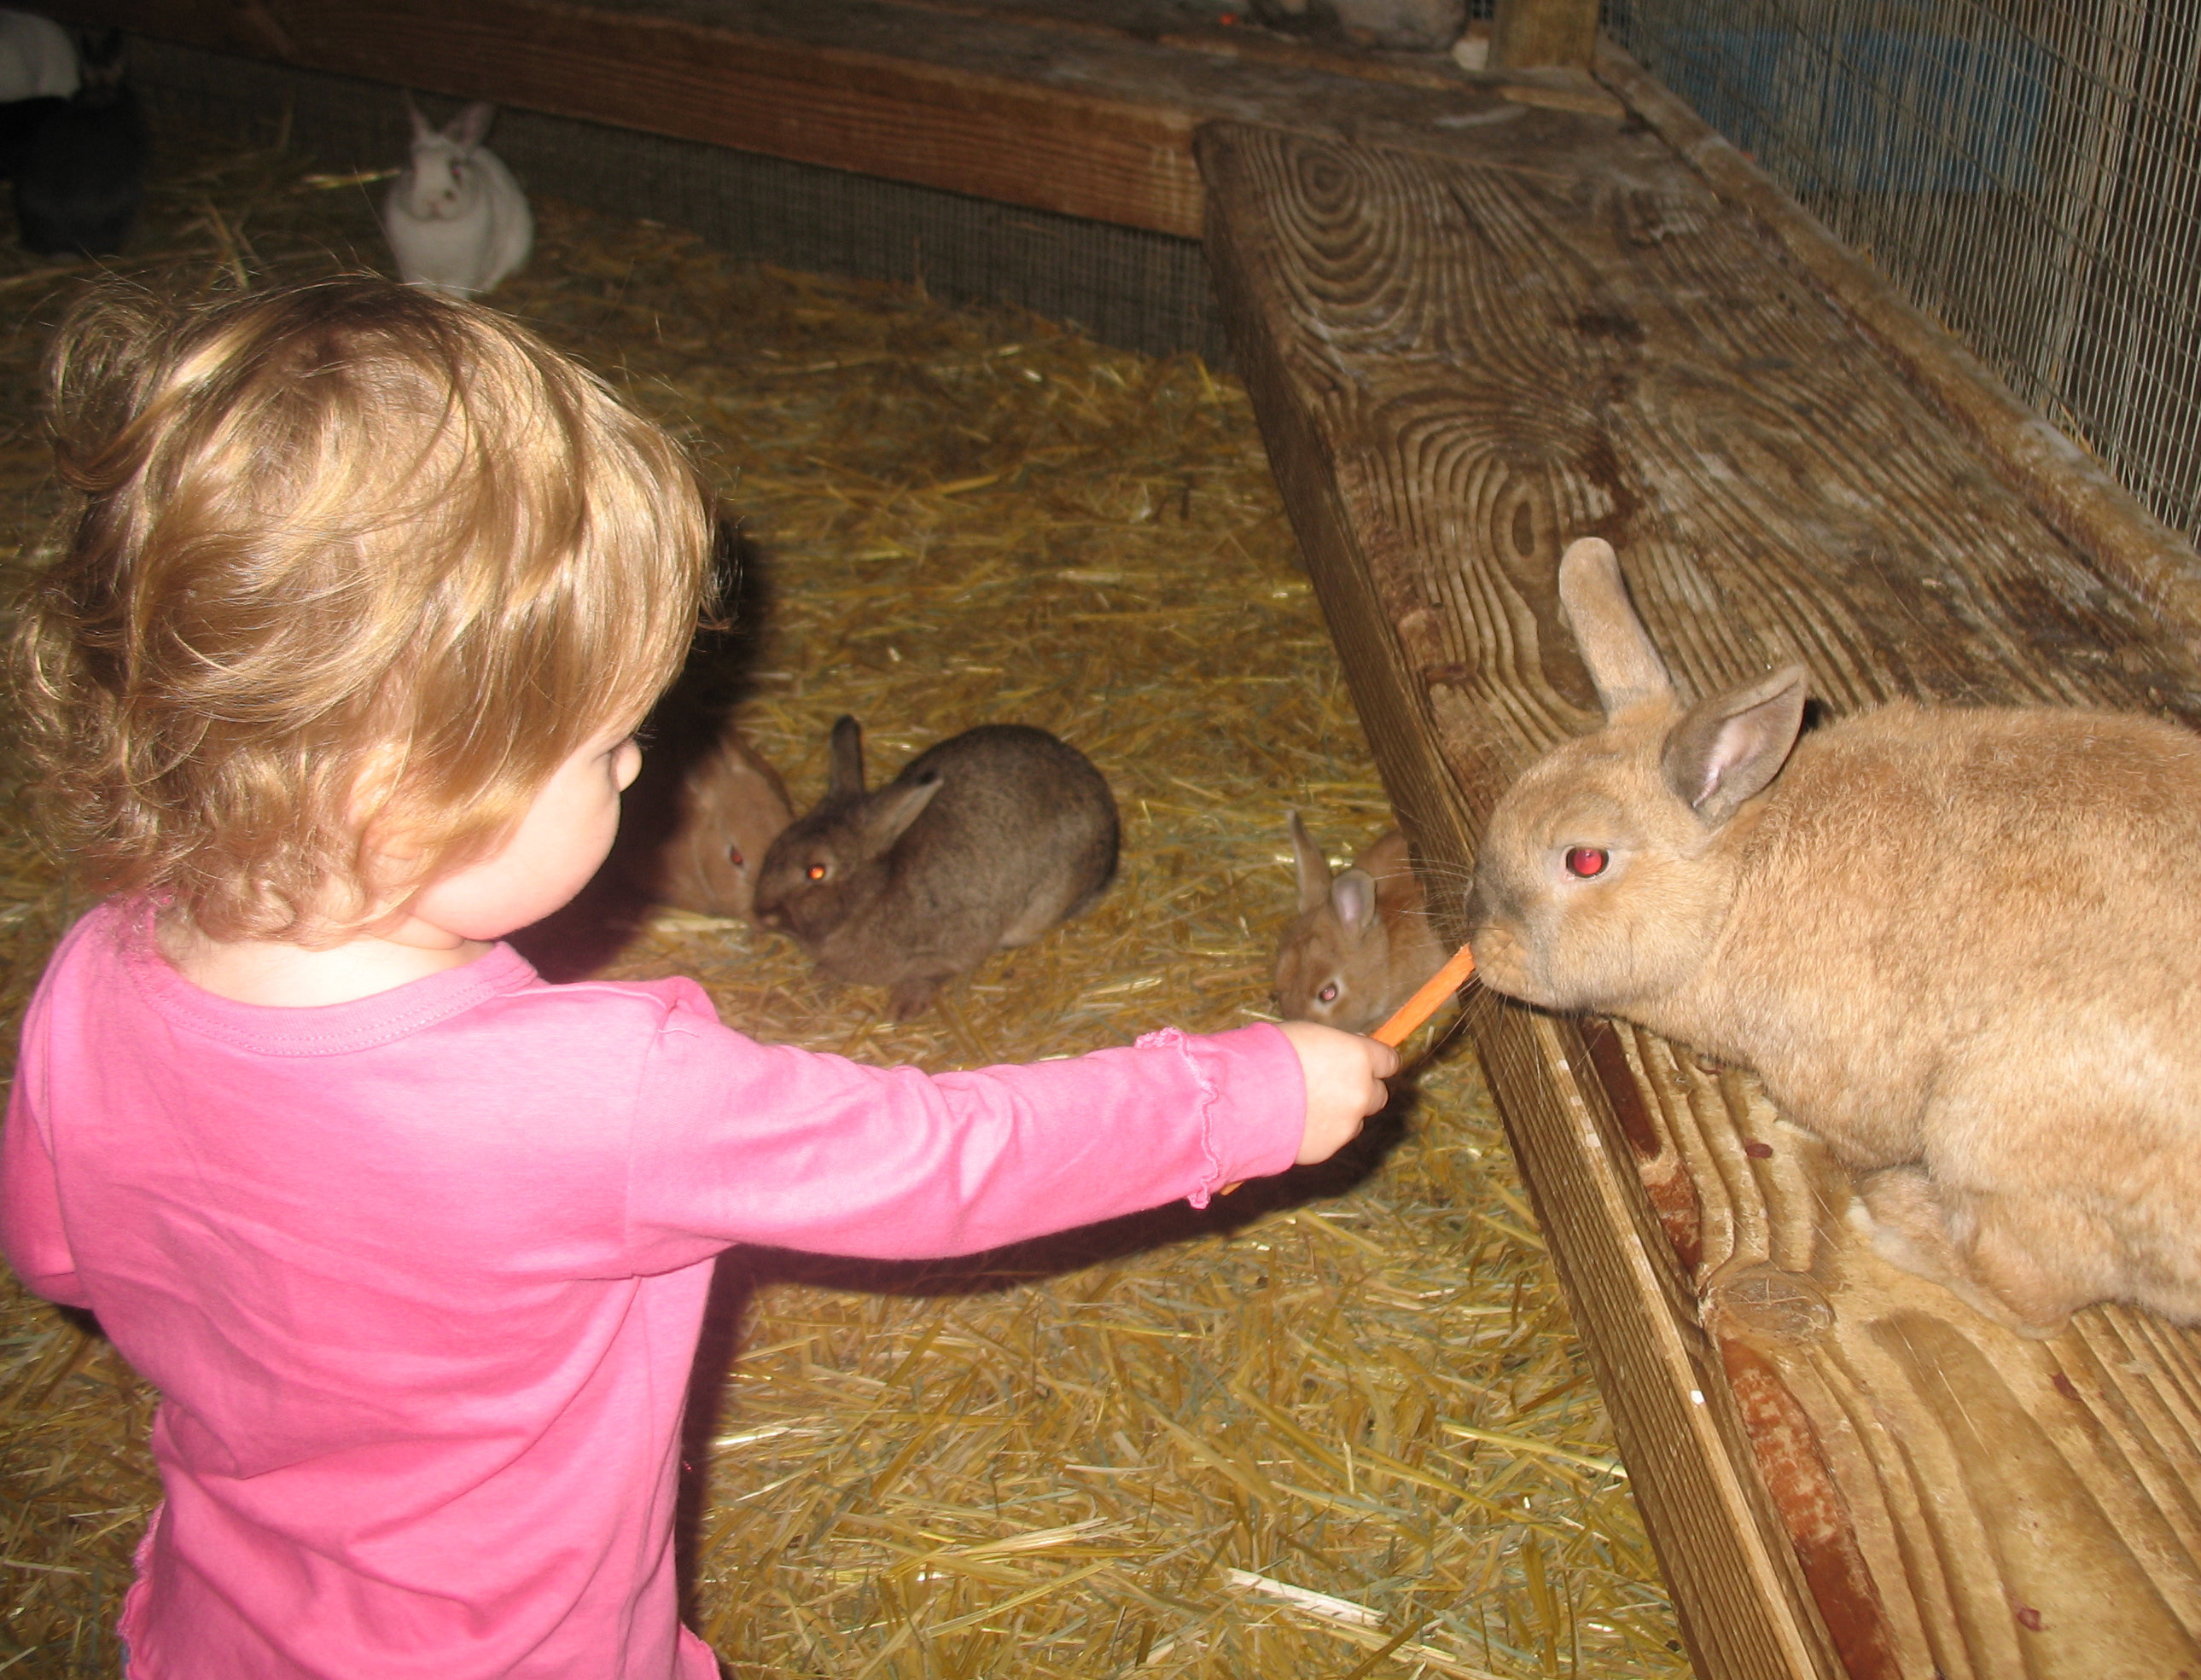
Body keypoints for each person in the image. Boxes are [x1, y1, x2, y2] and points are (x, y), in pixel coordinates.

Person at [0, 280, 1397, 1678]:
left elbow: (57, 1248)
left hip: (222, 1631)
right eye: (604, 746)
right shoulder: (599, 1094)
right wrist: (1241, 1095)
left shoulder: (91, 983)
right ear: (405, 795)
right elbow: (939, 1160)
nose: (640, 768)